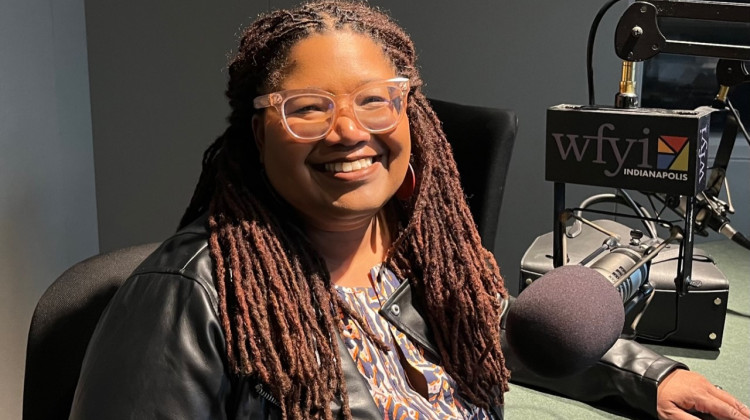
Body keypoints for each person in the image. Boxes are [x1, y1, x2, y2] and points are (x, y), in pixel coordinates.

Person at [69, 1, 750, 419]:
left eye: (375, 100)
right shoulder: (188, 299)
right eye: (308, 109)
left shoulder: (416, 243)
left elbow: (496, 329)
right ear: (257, 133)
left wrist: (646, 376)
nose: (347, 132)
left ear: (411, 115)